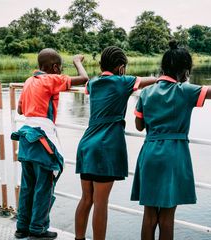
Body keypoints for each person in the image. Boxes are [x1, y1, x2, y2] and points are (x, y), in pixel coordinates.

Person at [130, 40, 211, 240]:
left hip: (149, 153)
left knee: (149, 216)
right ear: (185, 72)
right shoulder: (185, 91)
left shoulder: (146, 92)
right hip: (174, 155)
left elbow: (139, 126)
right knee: (167, 218)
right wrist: (190, 85)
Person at [75, 46, 157, 240]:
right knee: (101, 203)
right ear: (121, 68)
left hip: (87, 144)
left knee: (86, 199)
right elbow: (155, 80)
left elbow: (85, 81)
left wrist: (78, 62)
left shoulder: (93, 83)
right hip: (106, 147)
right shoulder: (124, 82)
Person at [11, 48, 89, 240]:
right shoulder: (51, 79)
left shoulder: (29, 81)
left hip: (25, 138)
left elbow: (21, 109)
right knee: (44, 185)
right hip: (42, 139)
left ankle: (22, 228)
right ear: (55, 67)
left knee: (28, 185)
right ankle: (37, 230)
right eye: (60, 68)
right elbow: (84, 78)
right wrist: (77, 61)